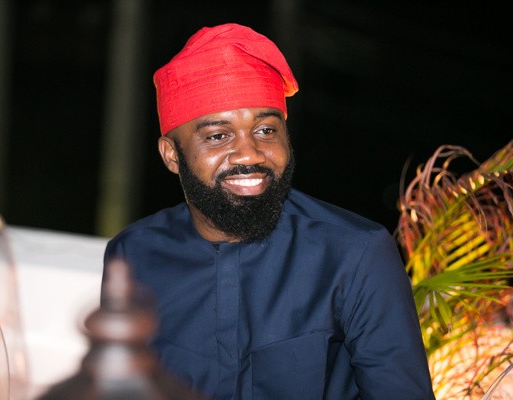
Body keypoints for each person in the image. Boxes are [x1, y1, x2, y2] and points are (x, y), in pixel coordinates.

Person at [103, 23, 435, 400]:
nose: (249, 154)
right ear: (171, 155)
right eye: (218, 136)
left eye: (265, 131)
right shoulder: (134, 254)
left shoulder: (355, 254)